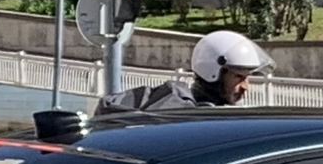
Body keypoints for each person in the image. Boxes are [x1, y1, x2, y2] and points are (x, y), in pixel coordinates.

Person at [95, 30, 272, 114]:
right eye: (238, 77)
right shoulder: (185, 116)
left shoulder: (203, 115)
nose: (246, 87)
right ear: (214, 73)